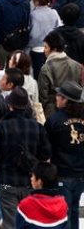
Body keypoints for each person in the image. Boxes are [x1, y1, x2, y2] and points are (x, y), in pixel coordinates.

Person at [0, 86, 52, 229]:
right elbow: (46, 154)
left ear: (10, 106)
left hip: (6, 181)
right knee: (30, 221)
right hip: (31, 181)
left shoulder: (0, 127)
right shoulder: (37, 128)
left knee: (10, 222)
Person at [44, 81, 84, 229]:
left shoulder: (54, 121)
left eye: (59, 95)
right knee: (73, 209)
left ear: (66, 100)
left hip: (61, 174)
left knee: (63, 213)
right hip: (80, 174)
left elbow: (45, 148)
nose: (56, 97)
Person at [38, 31, 84, 120]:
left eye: (46, 47)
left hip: (52, 112)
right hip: (74, 111)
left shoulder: (46, 69)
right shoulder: (77, 66)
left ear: (54, 49)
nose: (44, 50)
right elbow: (79, 90)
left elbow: (43, 97)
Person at [15, 162, 68, 229]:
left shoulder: (25, 204)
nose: (31, 178)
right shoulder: (63, 204)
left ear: (39, 181)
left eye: (32, 176)